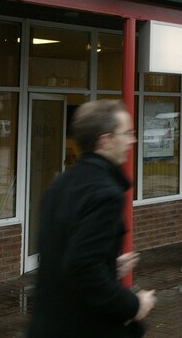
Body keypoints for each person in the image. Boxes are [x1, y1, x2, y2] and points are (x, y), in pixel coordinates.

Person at [28, 100, 156, 338]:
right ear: (105, 140)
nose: (132, 140)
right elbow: (83, 269)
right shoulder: (104, 193)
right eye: (127, 133)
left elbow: (62, 258)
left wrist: (109, 266)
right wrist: (134, 305)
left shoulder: (59, 186)